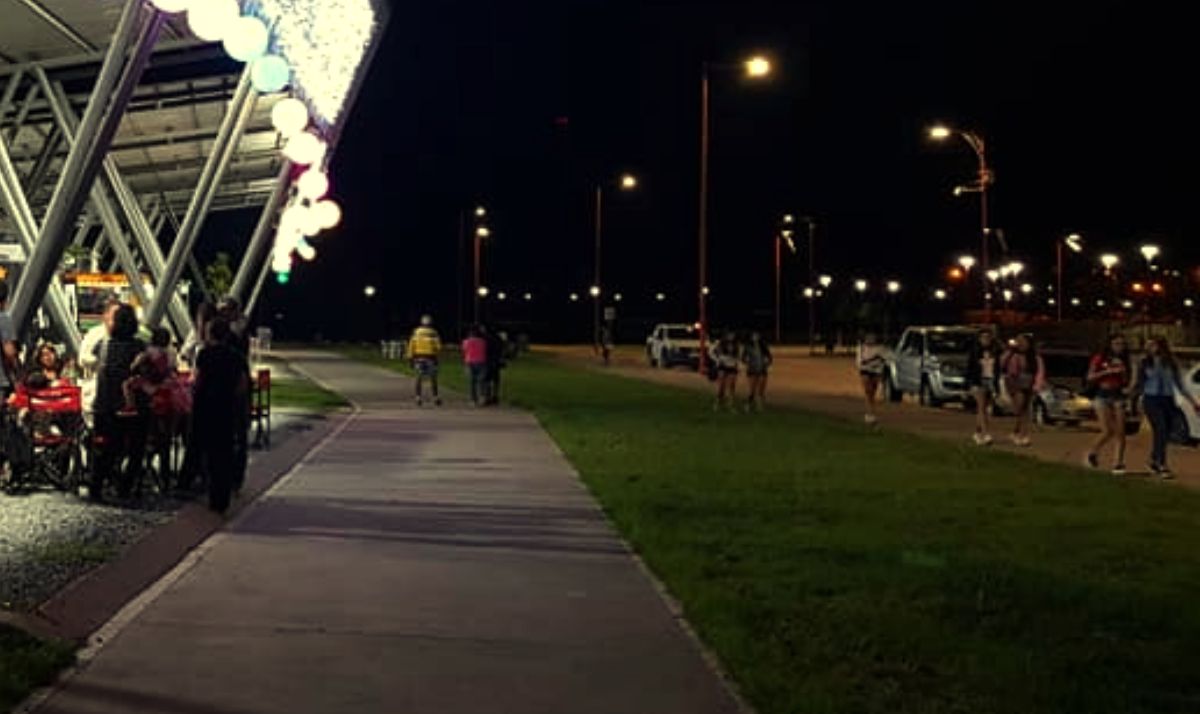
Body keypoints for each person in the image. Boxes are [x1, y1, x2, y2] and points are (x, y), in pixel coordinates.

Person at [90, 304, 147, 501]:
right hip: (131, 406)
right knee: (136, 449)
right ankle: (125, 487)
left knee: (105, 449)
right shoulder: (139, 347)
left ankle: (97, 486)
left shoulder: (102, 345)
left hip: (104, 403)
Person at [192, 318, 248, 513]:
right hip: (227, 407)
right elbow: (241, 385)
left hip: (207, 407)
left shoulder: (204, 354)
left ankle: (212, 493)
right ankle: (223, 494)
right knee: (225, 451)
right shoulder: (236, 356)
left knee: (209, 452)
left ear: (210, 334)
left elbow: (198, 380)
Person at [1131, 337, 1198, 479]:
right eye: (1148, 345)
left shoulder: (1171, 363)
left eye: (1152, 345)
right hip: (1151, 399)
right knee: (1160, 428)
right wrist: (1134, 399)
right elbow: (1138, 384)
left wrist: (1193, 402)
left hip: (1167, 399)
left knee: (1164, 431)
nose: (1150, 348)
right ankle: (1162, 464)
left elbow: (1180, 385)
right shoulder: (1144, 363)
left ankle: (1154, 459)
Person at [1084, 334, 1132, 473]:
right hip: (1102, 395)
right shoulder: (1100, 358)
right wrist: (1107, 371)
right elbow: (1090, 376)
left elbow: (1126, 381)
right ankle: (1092, 452)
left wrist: (1123, 372)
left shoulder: (1124, 360)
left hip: (1117, 395)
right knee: (1107, 430)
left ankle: (1118, 462)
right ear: (1110, 345)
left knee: (1121, 431)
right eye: (1116, 344)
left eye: (1122, 344)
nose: (1119, 347)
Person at [1000, 334, 1045, 447]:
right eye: (1019, 341)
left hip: (1028, 382)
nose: (1021, 344)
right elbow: (1001, 363)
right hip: (1014, 382)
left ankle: (1021, 433)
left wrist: (1037, 386)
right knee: (1019, 407)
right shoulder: (1012, 355)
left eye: (1024, 342)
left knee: (1026, 409)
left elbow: (1040, 372)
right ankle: (1018, 432)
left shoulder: (1035, 358)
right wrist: (1009, 351)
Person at [965, 329, 1001, 445]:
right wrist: (969, 384)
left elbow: (997, 369)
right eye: (983, 337)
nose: (986, 340)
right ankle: (986, 433)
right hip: (978, 382)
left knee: (984, 407)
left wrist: (996, 385)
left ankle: (977, 432)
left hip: (990, 381)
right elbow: (969, 368)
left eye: (988, 337)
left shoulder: (995, 352)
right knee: (981, 408)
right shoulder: (975, 352)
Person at [78, 297, 120, 377]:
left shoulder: (126, 335)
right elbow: (82, 358)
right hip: (95, 379)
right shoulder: (93, 334)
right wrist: (100, 360)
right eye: (114, 314)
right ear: (106, 315)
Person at [407, 315, 442, 406]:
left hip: (418, 358)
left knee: (418, 378)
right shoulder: (433, 333)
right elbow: (438, 347)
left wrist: (410, 358)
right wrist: (437, 356)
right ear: (430, 323)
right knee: (433, 378)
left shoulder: (416, 332)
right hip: (430, 358)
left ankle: (418, 397)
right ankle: (435, 397)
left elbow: (411, 346)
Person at [855, 333, 887, 425]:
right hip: (865, 370)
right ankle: (869, 413)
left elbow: (885, 359)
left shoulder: (880, 348)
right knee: (868, 391)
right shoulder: (861, 348)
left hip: (876, 371)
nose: (870, 339)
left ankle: (872, 412)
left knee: (873, 392)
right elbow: (860, 361)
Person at [741, 332, 773, 411]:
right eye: (754, 336)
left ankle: (759, 405)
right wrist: (747, 361)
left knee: (761, 390)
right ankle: (748, 404)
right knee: (752, 390)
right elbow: (743, 358)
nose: (755, 337)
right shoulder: (748, 347)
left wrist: (767, 362)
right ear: (751, 337)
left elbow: (769, 357)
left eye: (757, 336)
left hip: (762, 369)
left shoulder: (763, 346)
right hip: (752, 370)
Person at [708, 331, 740, 411]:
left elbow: (737, 356)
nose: (731, 336)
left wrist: (736, 364)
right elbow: (710, 352)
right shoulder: (720, 343)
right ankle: (717, 403)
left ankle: (730, 404)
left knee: (731, 386)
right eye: (729, 334)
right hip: (723, 366)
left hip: (732, 366)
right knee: (721, 386)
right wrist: (717, 360)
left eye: (732, 334)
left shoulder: (736, 344)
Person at [462, 326, 488, 406]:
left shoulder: (466, 341)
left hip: (470, 362)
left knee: (472, 382)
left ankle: (473, 399)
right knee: (481, 381)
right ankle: (482, 397)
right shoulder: (483, 342)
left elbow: (465, 350)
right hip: (481, 361)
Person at [483, 325, 506, 405]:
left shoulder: (487, 339)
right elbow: (502, 350)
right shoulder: (499, 339)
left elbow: (485, 350)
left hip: (489, 362)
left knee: (487, 380)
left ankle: (487, 397)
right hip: (497, 362)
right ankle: (495, 397)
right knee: (496, 380)